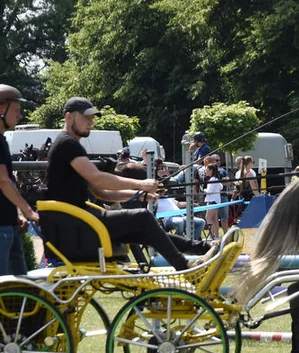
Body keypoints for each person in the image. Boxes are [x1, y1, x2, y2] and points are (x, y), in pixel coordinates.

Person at [44, 97, 213, 270]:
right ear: (69, 117)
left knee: (144, 230)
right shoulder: (68, 144)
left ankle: (206, 248)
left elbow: (100, 192)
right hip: (76, 223)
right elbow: (98, 177)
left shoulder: (70, 144)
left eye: (92, 118)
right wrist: (141, 184)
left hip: (79, 220)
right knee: (143, 217)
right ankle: (184, 266)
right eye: (85, 117)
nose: (90, 122)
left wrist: (138, 195)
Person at [0, 83, 40, 278]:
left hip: (7, 223)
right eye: (16, 110)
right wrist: (29, 211)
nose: (20, 116)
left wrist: (18, 214)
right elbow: (3, 182)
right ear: (1, 109)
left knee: (19, 286)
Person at [202, 161, 223, 238]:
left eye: (207, 170)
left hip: (212, 202)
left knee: (208, 218)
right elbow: (221, 187)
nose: (205, 171)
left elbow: (209, 192)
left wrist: (204, 190)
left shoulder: (212, 180)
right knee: (214, 219)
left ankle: (212, 235)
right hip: (215, 202)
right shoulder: (216, 179)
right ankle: (216, 236)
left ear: (211, 171)